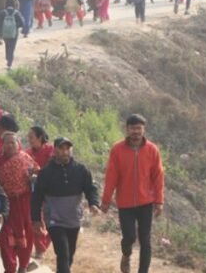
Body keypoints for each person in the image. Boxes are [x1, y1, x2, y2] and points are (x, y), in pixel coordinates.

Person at [101, 114, 165, 273]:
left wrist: (159, 200)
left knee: (145, 240)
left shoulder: (152, 149)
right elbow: (111, 176)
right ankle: (126, 255)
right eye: (133, 128)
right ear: (127, 129)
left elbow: (158, 176)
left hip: (146, 202)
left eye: (139, 128)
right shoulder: (117, 149)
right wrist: (106, 200)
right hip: (125, 203)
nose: (136, 131)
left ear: (144, 129)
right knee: (129, 237)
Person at [31, 137, 101, 273]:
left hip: (73, 218)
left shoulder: (81, 170)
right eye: (61, 149)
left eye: (67, 149)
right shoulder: (46, 173)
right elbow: (37, 196)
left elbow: (90, 188)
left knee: (70, 253)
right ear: (54, 150)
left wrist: (93, 203)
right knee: (62, 252)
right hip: (54, 219)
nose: (65, 152)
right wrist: (35, 219)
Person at [0, 132, 40, 273]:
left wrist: (33, 179)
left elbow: (37, 175)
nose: (10, 145)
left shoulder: (26, 158)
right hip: (5, 205)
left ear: (18, 144)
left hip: (24, 204)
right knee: (5, 239)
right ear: (2, 145)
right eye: (7, 143)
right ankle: (9, 268)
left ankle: (23, 266)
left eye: (13, 142)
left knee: (26, 237)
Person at [0, 0, 26, 70]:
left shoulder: (2, 12)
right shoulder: (16, 13)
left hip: (5, 33)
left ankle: (7, 57)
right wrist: (16, 26)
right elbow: (22, 23)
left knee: (7, 45)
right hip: (14, 33)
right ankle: (10, 61)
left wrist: (0, 32)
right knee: (12, 47)